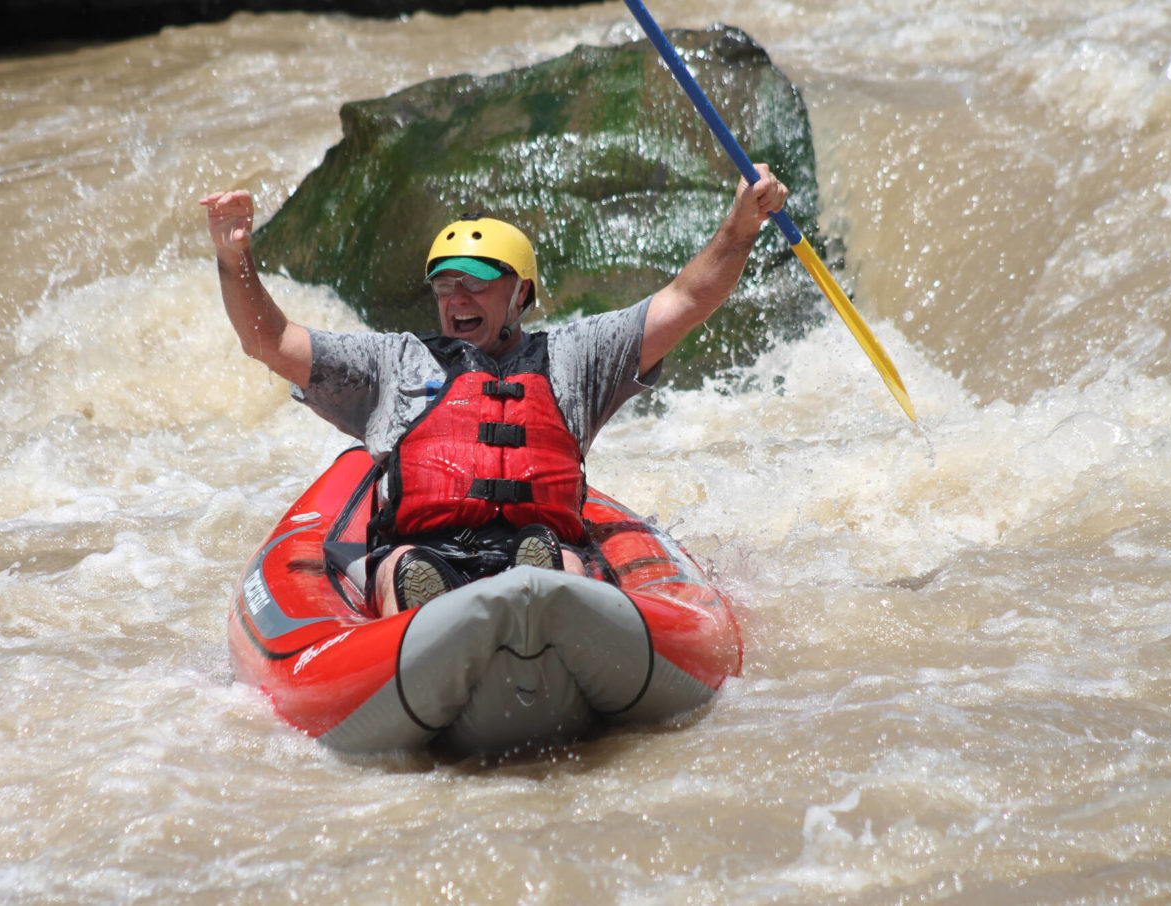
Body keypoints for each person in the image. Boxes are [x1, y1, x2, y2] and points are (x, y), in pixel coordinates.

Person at [202, 166, 788, 615]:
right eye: (445, 285)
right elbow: (271, 341)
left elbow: (686, 300)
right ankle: (430, 618)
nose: (457, 300)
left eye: (477, 285)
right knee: (401, 565)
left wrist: (738, 228)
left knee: (556, 557)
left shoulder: (574, 357)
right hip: (426, 549)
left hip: (536, 545)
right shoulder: (393, 362)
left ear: (520, 294)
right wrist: (236, 257)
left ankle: (543, 596)